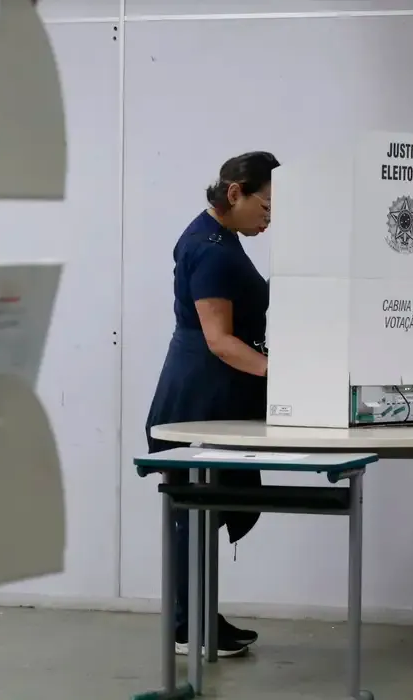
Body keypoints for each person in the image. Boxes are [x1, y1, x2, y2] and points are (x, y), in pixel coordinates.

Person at [145, 151, 279, 658]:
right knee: (193, 510)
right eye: (265, 206)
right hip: (200, 395)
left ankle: (200, 615)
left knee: (207, 509)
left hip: (216, 389)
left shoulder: (220, 237)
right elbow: (220, 340)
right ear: (235, 193)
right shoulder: (210, 249)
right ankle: (187, 625)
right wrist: (282, 374)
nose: (269, 218)